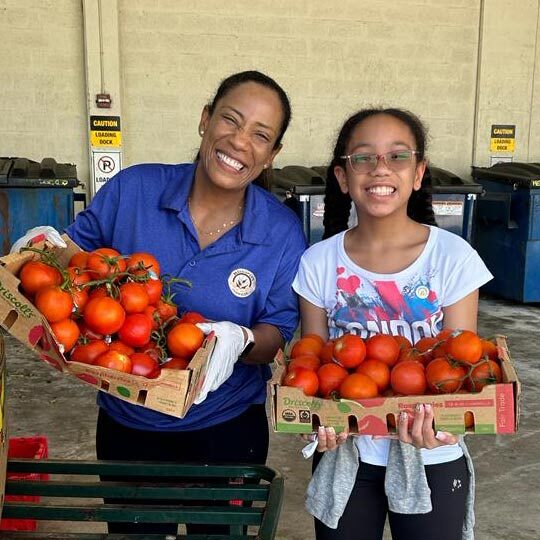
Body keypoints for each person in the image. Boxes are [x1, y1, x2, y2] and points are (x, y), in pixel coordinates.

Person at [14, 70, 306, 535]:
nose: (239, 142)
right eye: (230, 120)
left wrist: (241, 339)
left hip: (227, 429)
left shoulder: (281, 231)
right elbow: (71, 260)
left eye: (261, 135)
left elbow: (277, 334)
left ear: (273, 154)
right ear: (205, 120)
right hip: (128, 422)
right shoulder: (133, 192)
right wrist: (42, 251)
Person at [292, 108, 493, 540]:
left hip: (431, 455)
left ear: (418, 174)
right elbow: (312, 364)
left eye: (397, 156)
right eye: (363, 157)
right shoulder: (319, 262)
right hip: (347, 452)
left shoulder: (453, 258)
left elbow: (460, 366)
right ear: (343, 177)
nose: (380, 168)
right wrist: (317, 421)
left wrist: (445, 424)